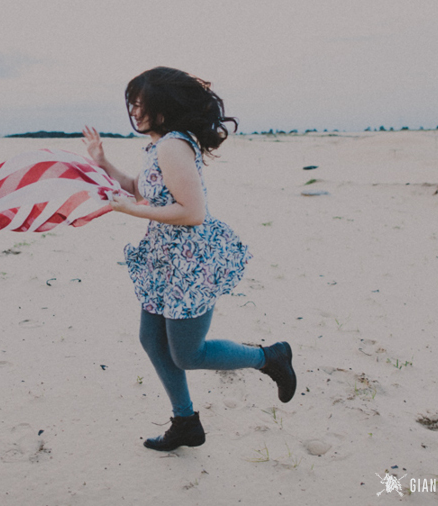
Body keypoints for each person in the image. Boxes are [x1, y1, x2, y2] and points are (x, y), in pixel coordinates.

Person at [82, 67, 297, 452]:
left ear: (162, 109)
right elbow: (137, 188)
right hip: (166, 259)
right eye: (132, 102)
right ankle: (185, 423)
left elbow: (191, 212)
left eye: (141, 102)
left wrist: (129, 211)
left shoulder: (173, 146)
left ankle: (270, 357)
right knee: (152, 339)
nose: (134, 110)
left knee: (188, 353)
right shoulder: (159, 145)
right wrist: (102, 162)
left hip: (190, 261)